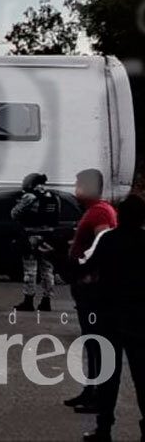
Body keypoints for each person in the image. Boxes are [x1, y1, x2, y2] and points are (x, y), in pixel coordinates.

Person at [82, 194, 145, 442]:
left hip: (109, 316)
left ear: (120, 216)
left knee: (108, 377)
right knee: (142, 377)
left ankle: (104, 428)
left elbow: (87, 269)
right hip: (140, 318)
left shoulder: (109, 240)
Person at [65, 168, 119, 411]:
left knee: (96, 342)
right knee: (91, 341)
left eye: (77, 185)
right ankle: (90, 390)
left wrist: (89, 275)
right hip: (86, 289)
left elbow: (104, 246)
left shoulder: (99, 212)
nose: (74, 190)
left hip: (93, 291)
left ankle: (97, 394)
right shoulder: (96, 211)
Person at [10, 172, 60, 312]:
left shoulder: (29, 197)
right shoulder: (54, 197)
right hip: (49, 236)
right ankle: (46, 300)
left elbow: (14, 213)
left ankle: (28, 300)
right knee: (48, 270)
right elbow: (56, 217)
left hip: (31, 235)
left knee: (30, 270)